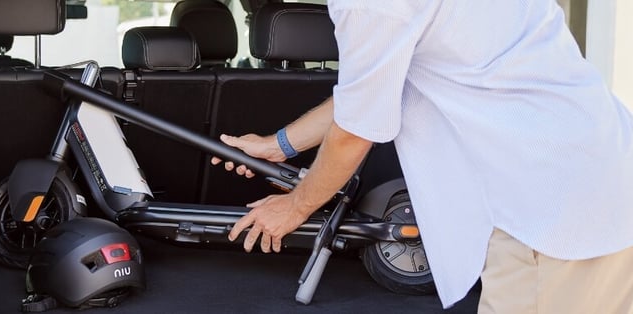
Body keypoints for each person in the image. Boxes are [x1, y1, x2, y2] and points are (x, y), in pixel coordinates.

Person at [212, 1, 633, 313]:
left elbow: (355, 133)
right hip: (589, 173)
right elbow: (364, 97)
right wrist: (277, 146)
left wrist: (295, 206)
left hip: (558, 205)